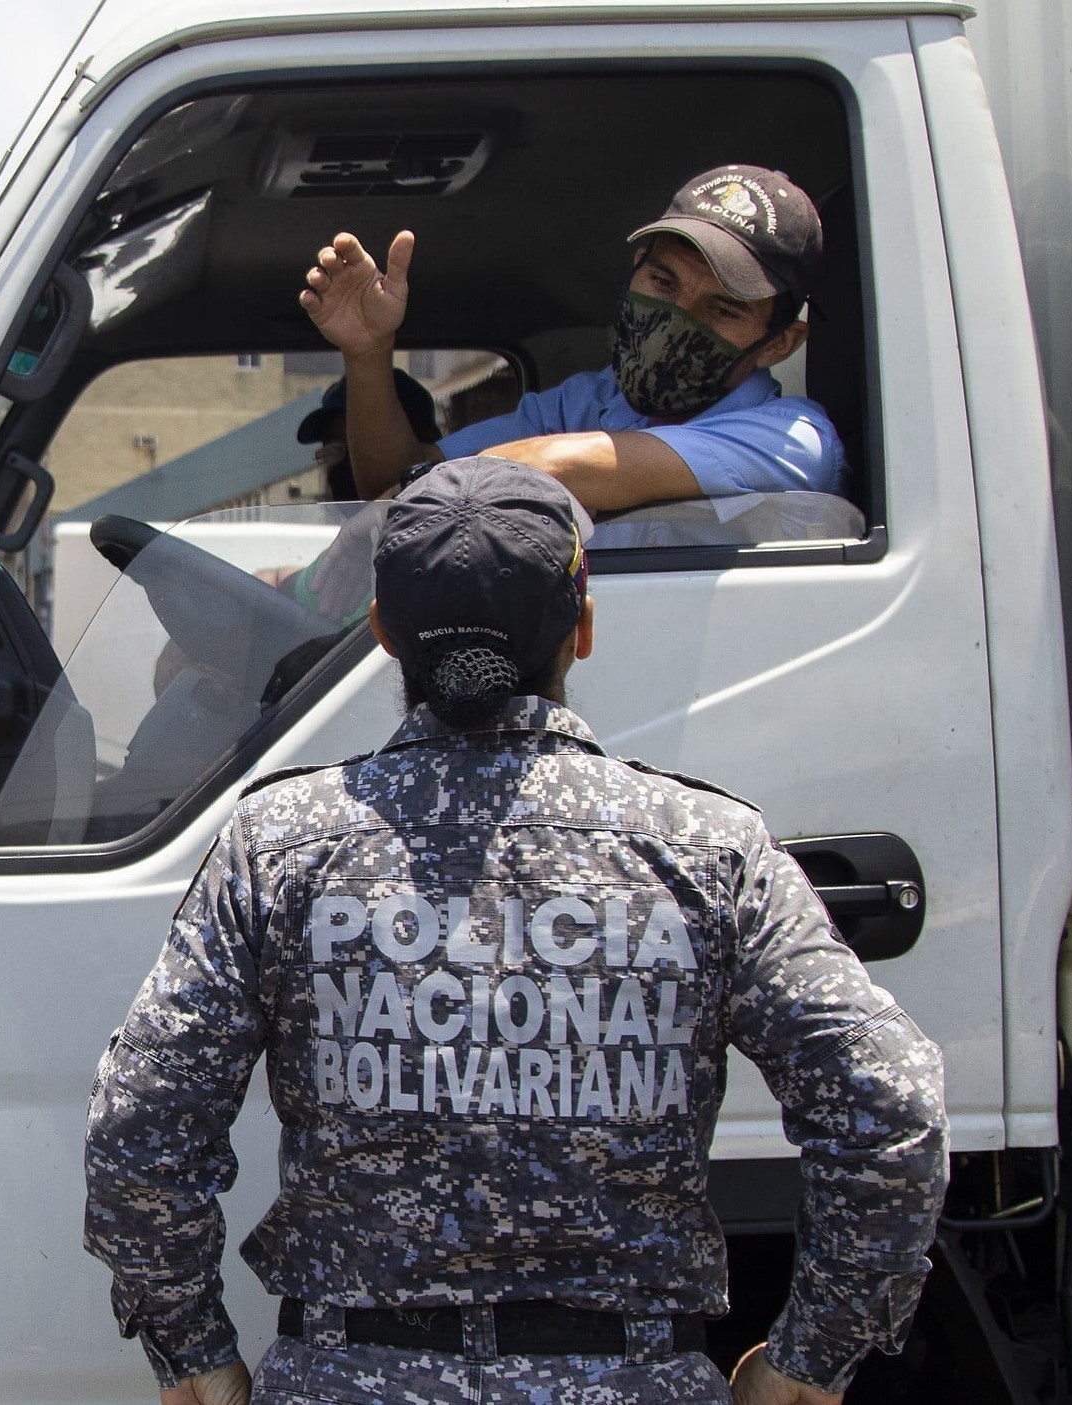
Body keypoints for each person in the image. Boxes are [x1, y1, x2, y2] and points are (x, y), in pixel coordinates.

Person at [84, 459, 946, 1405]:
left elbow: (140, 1130)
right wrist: (811, 1359)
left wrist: (191, 1347)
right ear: (581, 627)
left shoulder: (279, 847)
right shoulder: (706, 848)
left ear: (379, 630)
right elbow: (889, 1107)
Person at [302, 166, 841, 511]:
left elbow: (566, 466)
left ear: (778, 345)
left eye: (721, 309)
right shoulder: (589, 401)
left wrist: (414, 495)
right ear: (635, 269)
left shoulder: (790, 441)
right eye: (662, 282)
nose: (677, 318)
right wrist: (369, 352)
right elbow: (393, 476)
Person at [295, 365, 441, 503]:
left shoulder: (452, 522)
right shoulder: (353, 527)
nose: (351, 464)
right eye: (331, 453)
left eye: (367, 443)